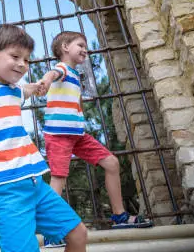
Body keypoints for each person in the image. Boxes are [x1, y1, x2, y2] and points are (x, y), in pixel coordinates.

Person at [0, 24, 88, 252]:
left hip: (35, 184)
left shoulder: (15, 89)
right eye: (15, 56)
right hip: (5, 191)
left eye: (27, 59)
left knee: (78, 233)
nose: (22, 64)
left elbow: (27, 90)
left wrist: (40, 86)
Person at [39, 31, 153, 229]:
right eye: (80, 45)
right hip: (58, 134)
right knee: (59, 178)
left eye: (85, 46)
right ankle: (50, 229)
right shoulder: (63, 68)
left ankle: (120, 216)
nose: (85, 49)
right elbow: (53, 73)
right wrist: (47, 80)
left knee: (111, 163)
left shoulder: (75, 75)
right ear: (65, 47)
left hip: (77, 135)